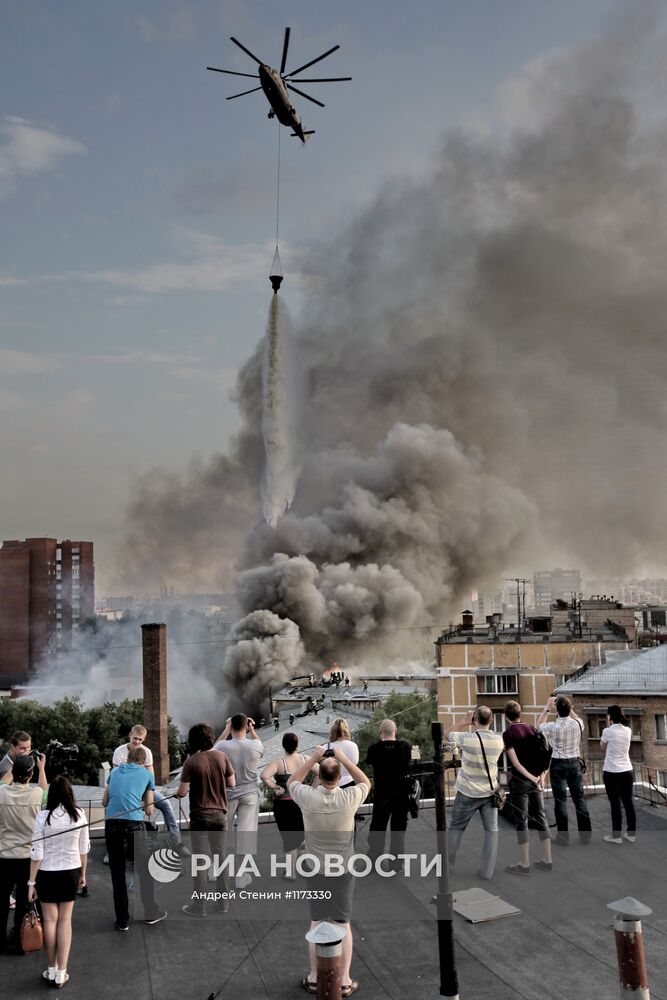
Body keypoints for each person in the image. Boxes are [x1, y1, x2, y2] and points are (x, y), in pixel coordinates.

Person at [288, 744, 370, 997]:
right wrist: (343, 758)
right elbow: (364, 780)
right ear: (338, 777)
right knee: (343, 924)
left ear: (320, 776)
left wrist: (313, 756)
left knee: (317, 922)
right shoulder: (349, 798)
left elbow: (293, 779)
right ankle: (344, 980)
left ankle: (314, 978)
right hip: (343, 870)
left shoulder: (308, 798)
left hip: (315, 869)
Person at [28, 775, 89, 988]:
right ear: (70, 793)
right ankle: (62, 973)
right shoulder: (79, 814)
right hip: (70, 872)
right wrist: (83, 875)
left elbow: (37, 852)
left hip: (46, 873)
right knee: (65, 921)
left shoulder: (43, 817)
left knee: (50, 922)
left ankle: (51, 968)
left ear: (51, 794)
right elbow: (84, 849)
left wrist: (31, 883)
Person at [102, 744, 166, 931]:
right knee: (145, 871)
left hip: (112, 824)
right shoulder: (147, 775)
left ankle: (122, 920)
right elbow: (149, 809)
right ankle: (150, 914)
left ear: (127, 759)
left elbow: (104, 802)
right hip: (134, 825)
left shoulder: (113, 772)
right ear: (143, 762)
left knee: (117, 873)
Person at [176, 723, 235, 917]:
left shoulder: (191, 762)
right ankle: (224, 904)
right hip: (220, 816)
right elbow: (232, 783)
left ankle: (199, 906)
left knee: (200, 861)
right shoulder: (222, 756)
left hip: (200, 817)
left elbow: (182, 791)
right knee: (221, 859)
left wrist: (179, 793)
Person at [445, 707, 505, 880]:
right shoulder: (498, 741)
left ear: (474, 720)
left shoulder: (468, 739)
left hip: (467, 792)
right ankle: (487, 872)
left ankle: (447, 866)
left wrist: (463, 722)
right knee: (492, 831)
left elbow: (446, 733)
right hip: (489, 792)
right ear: (491, 720)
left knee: (456, 827)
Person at [112, 725, 186, 855]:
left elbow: (150, 778)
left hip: (143, 790)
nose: (137, 742)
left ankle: (177, 842)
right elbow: (116, 777)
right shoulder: (119, 751)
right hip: (126, 792)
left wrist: (147, 799)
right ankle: (111, 850)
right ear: (130, 735)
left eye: (141, 740)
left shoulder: (147, 752)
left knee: (166, 804)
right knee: (112, 810)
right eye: (135, 738)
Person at [0, 754, 47, 952]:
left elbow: (3, 782)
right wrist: (42, 767)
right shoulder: (37, 794)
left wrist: (15, 764)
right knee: (23, 899)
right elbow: (45, 789)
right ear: (30, 775)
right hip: (27, 855)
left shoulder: (1, 793)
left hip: (4, 854)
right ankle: (20, 939)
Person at [502, 701, 553, 875]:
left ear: (506, 716)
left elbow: (515, 763)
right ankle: (548, 859)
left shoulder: (508, 734)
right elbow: (546, 753)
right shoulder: (532, 729)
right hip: (537, 779)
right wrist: (541, 779)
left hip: (520, 782)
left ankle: (524, 864)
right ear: (520, 713)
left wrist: (531, 778)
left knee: (521, 821)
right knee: (541, 817)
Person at [214, 714, 264, 887]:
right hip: (249, 795)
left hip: (227, 795)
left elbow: (212, 751)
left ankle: (217, 871)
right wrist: (253, 731)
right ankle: (241, 877)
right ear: (246, 726)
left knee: (221, 834)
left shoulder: (223, 746)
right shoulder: (255, 745)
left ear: (231, 726)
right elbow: (261, 746)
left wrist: (226, 729)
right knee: (246, 834)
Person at [538, 695, 591, 845]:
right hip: (574, 764)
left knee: (560, 801)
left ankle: (563, 837)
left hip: (558, 765)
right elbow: (576, 718)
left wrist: (547, 708)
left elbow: (539, 725)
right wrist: (568, 706)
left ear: (557, 710)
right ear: (569, 709)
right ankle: (585, 835)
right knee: (579, 799)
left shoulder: (553, 727)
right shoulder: (578, 724)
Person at [260, 732, 310, 876]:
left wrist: (276, 787)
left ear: (283, 746)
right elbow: (321, 772)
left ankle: (290, 871)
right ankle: (303, 865)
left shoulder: (279, 762)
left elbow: (264, 776)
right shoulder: (305, 759)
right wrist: (311, 787)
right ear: (297, 745)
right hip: (301, 802)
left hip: (284, 804)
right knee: (301, 834)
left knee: (289, 837)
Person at [366, 719, 412, 863]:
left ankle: (374, 861)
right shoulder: (405, 747)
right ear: (395, 731)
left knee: (377, 829)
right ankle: (396, 864)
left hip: (382, 796)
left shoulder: (374, 749)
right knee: (398, 831)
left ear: (380, 733)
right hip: (401, 796)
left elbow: (370, 762)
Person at [601, 705, 636, 844]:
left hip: (611, 772)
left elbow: (602, 747)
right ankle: (631, 834)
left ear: (610, 717)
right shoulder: (628, 730)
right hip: (627, 770)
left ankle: (616, 836)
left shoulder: (607, 731)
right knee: (628, 802)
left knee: (615, 804)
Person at [320, 719, 359, 788]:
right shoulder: (353, 746)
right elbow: (355, 763)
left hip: (331, 783)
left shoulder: (326, 747)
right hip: (350, 781)